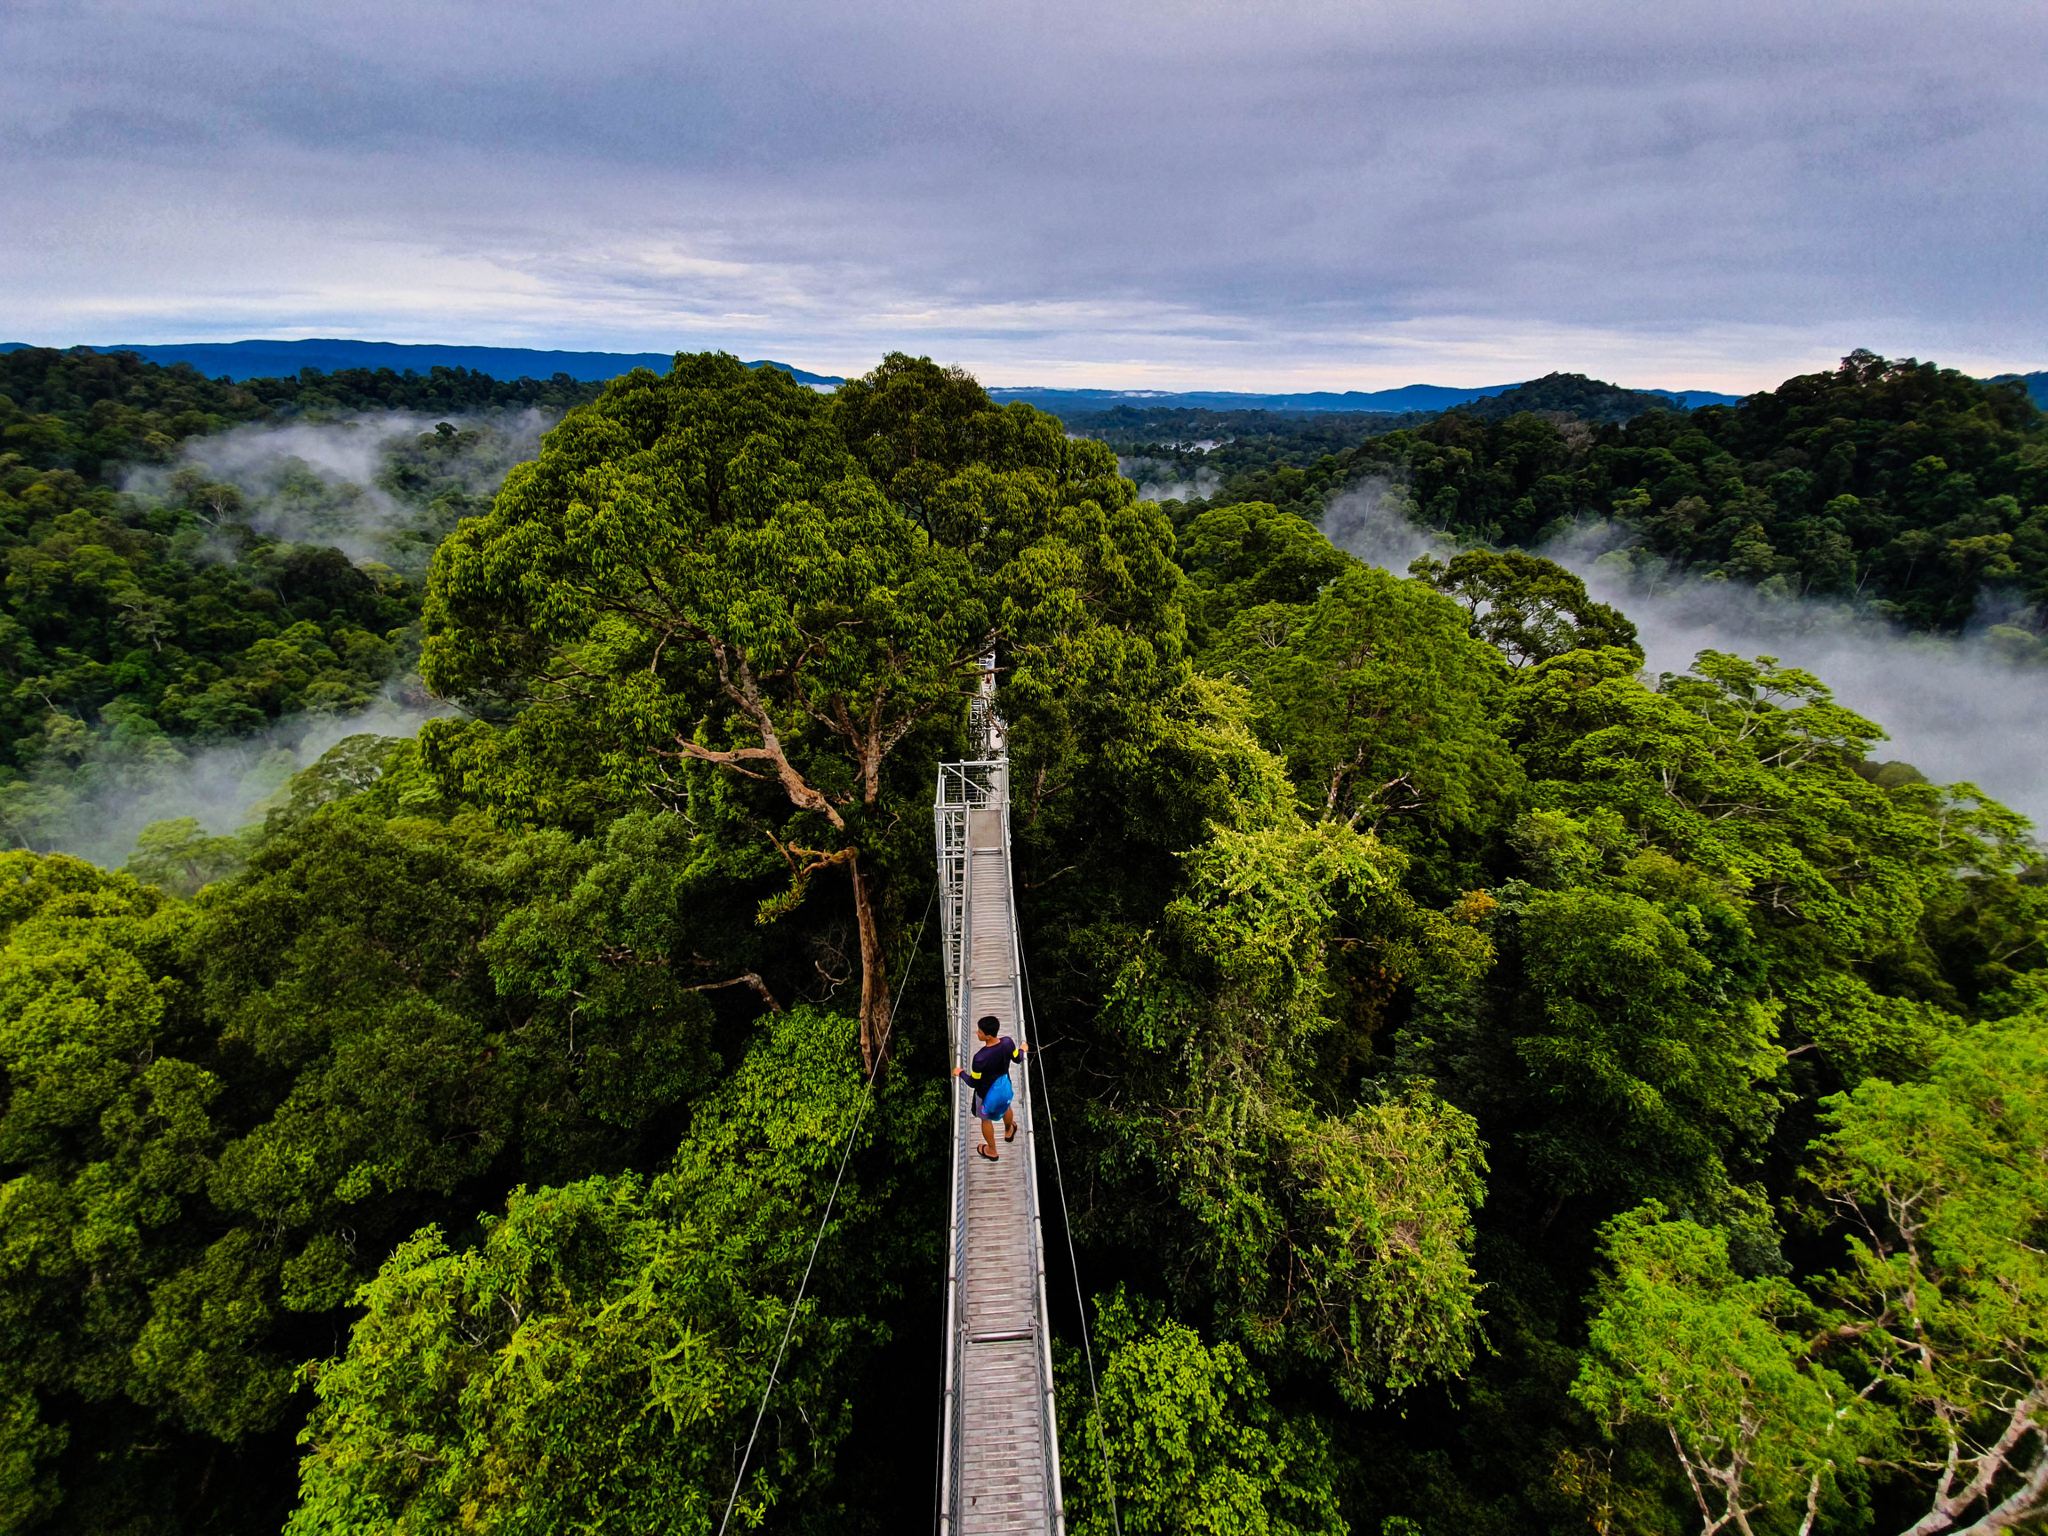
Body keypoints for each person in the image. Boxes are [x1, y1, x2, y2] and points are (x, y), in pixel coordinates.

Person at [954, 1014, 1026, 1161]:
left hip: (985, 1094)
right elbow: (1017, 1059)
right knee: (1006, 1107)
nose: (977, 1033)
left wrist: (960, 1073)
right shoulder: (1008, 1043)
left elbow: (974, 1082)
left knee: (985, 1120)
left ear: (987, 1036)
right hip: (1004, 1086)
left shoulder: (980, 1058)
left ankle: (992, 1151)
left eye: (979, 1032)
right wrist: (1023, 1050)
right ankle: (1008, 1130)